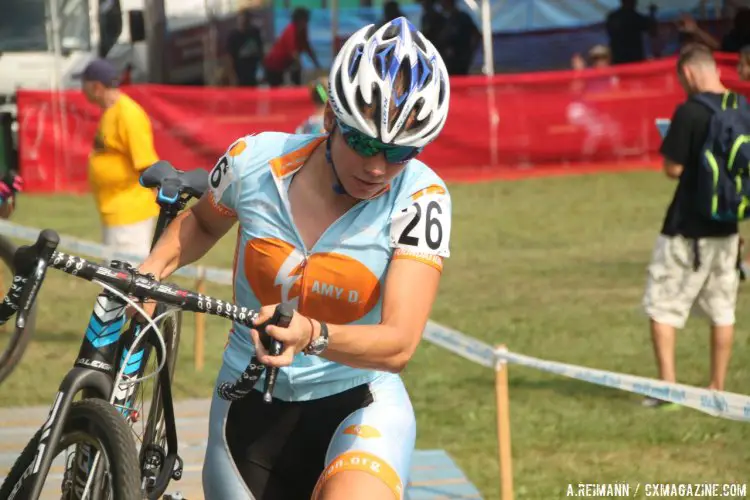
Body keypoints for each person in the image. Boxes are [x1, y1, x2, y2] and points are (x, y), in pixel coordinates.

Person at [138, 17, 451, 500]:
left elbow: (400, 343)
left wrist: (313, 334)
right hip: (247, 410)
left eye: (399, 152)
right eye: (363, 143)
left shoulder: (421, 197)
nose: (376, 167)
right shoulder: (253, 160)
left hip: (359, 405)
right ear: (330, 119)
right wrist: (149, 274)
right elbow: (201, 223)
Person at [642, 44, 740, 408]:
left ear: (687, 74)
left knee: (662, 306)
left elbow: (674, 169)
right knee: (722, 309)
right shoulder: (741, 108)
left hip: (687, 228)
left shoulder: (689, 112)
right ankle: (717, 387)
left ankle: (669, 388)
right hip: (728, 227)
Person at [75, 59, 160, 258]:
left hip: (130, 216)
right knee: (114, 278)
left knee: (127, 281)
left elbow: (148, 166)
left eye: (84, 85)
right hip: (116, 212)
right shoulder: (110, 112)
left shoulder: (128, 115)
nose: (81, 90)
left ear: (96, 87)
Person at [263, 7, 321, 87]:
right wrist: (301, 66)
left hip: (286, 64)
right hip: (274, 65)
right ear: (299, 20)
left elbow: (307, 47)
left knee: (297, 78)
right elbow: (294, 53)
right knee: (277, 89)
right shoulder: (291, 30)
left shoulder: (302, 30)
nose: (307, 22)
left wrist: (317, 64)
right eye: (305, 20)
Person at [605, 0, 658, 65]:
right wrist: (652, 14)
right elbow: (653, 31)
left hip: (619, 58)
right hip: (632, 59)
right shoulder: (635, 17)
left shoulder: (612, 17)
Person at [226, 9, 264, 87]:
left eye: (246, 21)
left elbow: (261, 52)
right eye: (242, 21)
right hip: (240, 74)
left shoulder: (255, 33)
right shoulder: (233, 37)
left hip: (253, 72)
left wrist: (262, 70)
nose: (244, 23)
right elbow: (230, 58)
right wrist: (232, 77)